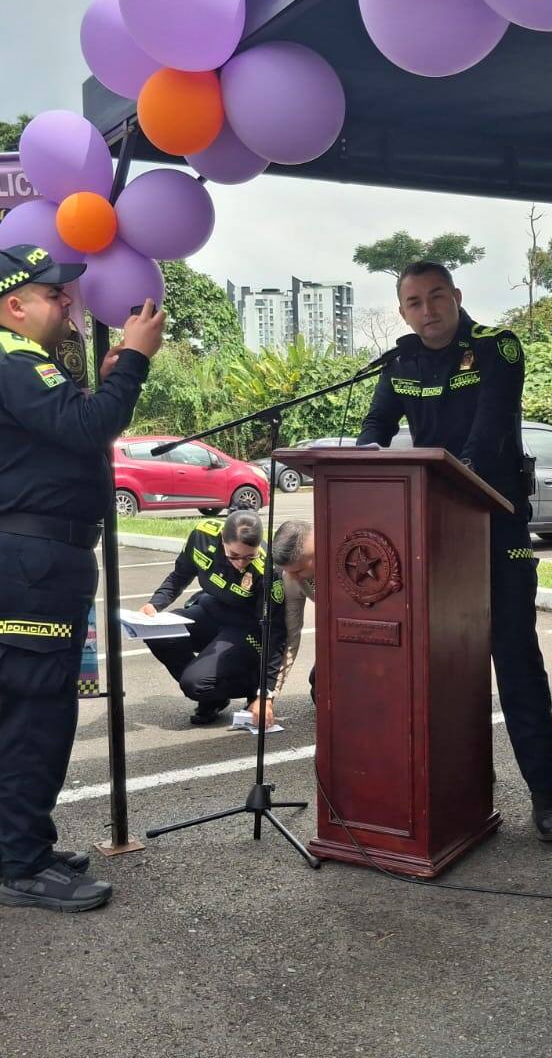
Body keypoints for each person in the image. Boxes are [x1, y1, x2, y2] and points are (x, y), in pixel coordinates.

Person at [358, 260, 552, 842]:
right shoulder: (399, 362)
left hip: (496, 525)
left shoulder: (497, 349)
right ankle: (448, 796)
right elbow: (375, 428)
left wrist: (457, 480)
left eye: (436, 298)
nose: (427, 312)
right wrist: (359, 462)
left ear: (456, 296)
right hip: (431, 533)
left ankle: (545, 791)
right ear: (401, 310)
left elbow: (490, 431)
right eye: (413, 303)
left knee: (514, 655)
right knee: (438, 664)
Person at [0, 244, 163, 913]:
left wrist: (113, 372)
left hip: (35, 560)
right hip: (33, 565)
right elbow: (89, 423)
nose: (68, 300)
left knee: (23, 708)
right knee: (37, 713)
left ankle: (21, 842)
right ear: (14, 305)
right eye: (52, 293)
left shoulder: (24, 365)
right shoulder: (14, 358)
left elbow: (66, 431)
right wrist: (137, 361)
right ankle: (21, 864)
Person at [140, 510, 286, 729]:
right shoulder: (201, 536)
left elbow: (275, 634)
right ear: (222, 541)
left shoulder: (268, 570)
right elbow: (180, 575)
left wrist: (265, 693)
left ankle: (247, 684)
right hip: (211, 611)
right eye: (234, 555)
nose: (241, 563)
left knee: (194, 684)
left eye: (249, 556)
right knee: (157, 632)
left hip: (245, 629)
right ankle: (213, 696)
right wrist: (154, 604)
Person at [270, 519, 316, 699]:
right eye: (288, 571)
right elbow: (290, 637)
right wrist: (270, 694)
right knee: (320, 690)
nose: (294, 577)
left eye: (299, 570)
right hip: (337, 637)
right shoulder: (291, 577)